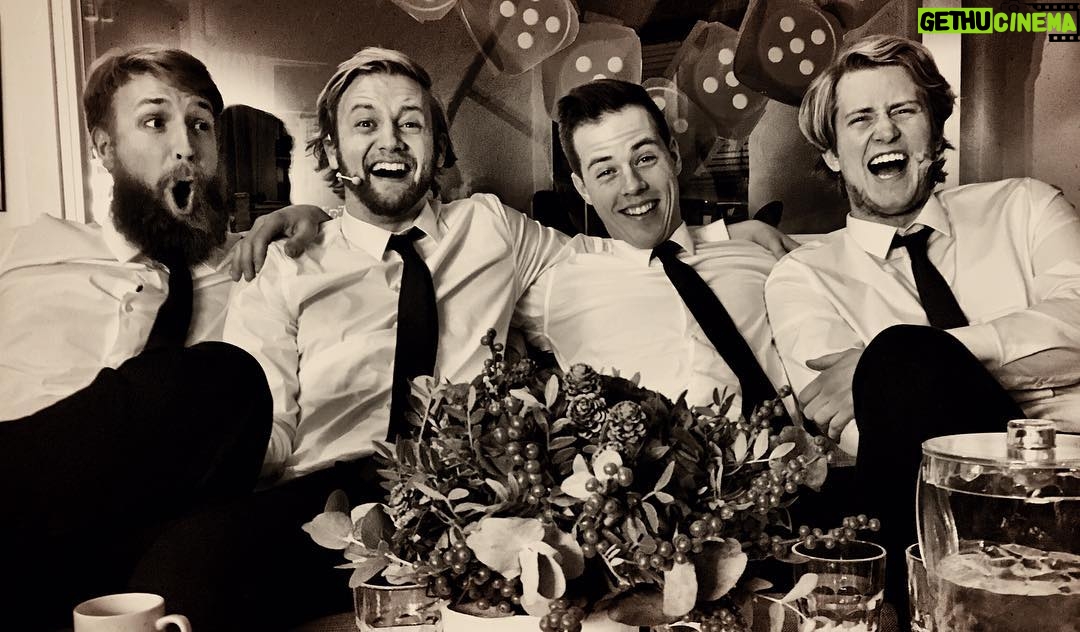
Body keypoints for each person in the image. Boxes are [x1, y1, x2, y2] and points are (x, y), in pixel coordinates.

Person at [764, 33, 1080, 622]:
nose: (884, 131)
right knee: (897, 358)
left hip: (1075, 481)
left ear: (934, 133)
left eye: (903, 111)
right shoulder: (802, 276)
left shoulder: (1026, 207)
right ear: (832, 153)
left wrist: (911, 362)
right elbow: (858, 427)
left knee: (895, 355)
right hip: (935, 512)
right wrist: (913, 367)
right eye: (860, 118)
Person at [0, 46, 273, 630]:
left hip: (131, 555)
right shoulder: (22, 250)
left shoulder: (256, 271)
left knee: (230, 379)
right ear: (105, 149)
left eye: (200, 125)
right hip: (13, 496)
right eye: (155, 122)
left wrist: (309, 219)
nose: (186, 146)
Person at [514, 78, 797, 421]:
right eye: (606, 172)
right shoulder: (557, 285)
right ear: (583, 188)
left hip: (797, 449)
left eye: (645, 158)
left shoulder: (760, 254)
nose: (633, 185)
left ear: (673, 156)